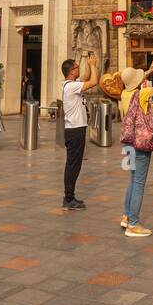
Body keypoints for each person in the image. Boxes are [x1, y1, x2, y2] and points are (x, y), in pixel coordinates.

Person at [119, 59, 153, 238]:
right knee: (139, 183)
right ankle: (133, 224)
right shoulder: (143, 94)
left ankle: (126, 215)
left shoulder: (124, 93)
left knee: (132, 180)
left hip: (127, 144)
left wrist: (148, 71)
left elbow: (134, 83)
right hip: (140, 145)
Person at [59, 53, 99, 210]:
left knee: (73, 164)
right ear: (71, 71)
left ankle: (70, 196)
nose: (78, 69)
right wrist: (94, 66)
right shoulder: (71, 86)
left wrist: (90, 66)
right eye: (76, 67)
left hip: (75, 129)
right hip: (75, 130)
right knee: (73, 165)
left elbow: (86, 77)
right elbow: (94, 81)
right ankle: (69, 199)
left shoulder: (71, 85)